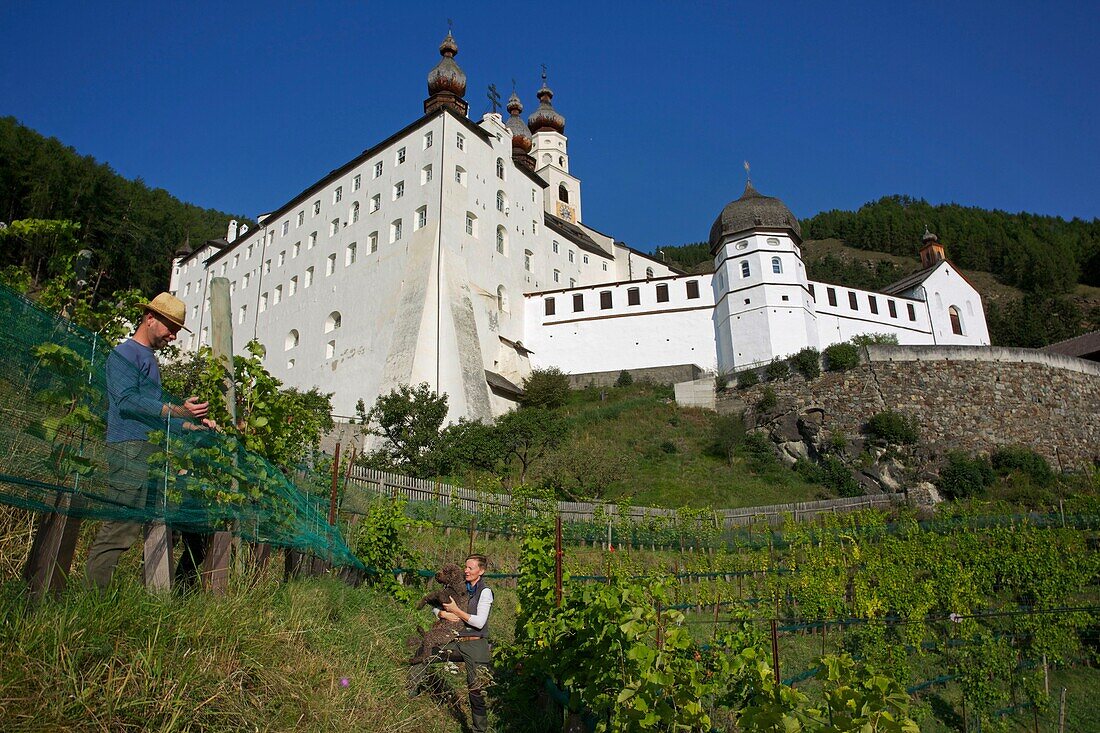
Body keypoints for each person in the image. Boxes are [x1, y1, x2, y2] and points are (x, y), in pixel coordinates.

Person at [85, 292, 215, 590]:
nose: (173, 336)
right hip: (129, 448)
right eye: (171, 328)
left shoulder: (149, 360)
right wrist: (178, 410)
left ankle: (152, 595)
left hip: (149, 450)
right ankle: (92, 601)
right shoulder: (125, 354)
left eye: (178, 331)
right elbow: (127, 402)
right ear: (150, 318)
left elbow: (157, 415)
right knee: (120, 527)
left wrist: (191, 425)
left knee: (156, 524)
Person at [409, 553, 494, 733]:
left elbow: (479, 622)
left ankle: (479, 730)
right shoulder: (456, 585)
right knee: (424, 653)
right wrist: (442, 614)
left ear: (482, 571)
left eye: (470, 568)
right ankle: (409, 696)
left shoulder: (485, 592)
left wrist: (456, 610)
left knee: (475, 689)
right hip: (454, 639)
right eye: (465, 567)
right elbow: (437, 605)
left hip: (475, 643)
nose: (466, 571)